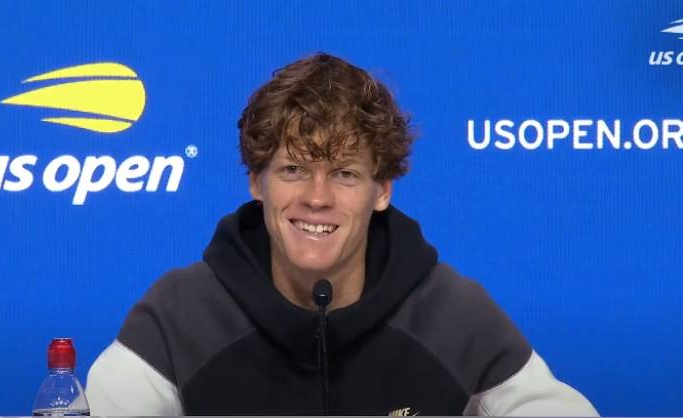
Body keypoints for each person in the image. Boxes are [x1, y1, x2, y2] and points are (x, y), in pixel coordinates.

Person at [85, 53, 599, 416]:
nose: (317, 197)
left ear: (382, 189)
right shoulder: (178, 317)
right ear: (256, 182)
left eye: (345, 174)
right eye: (293, 170)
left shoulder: (454, 315)